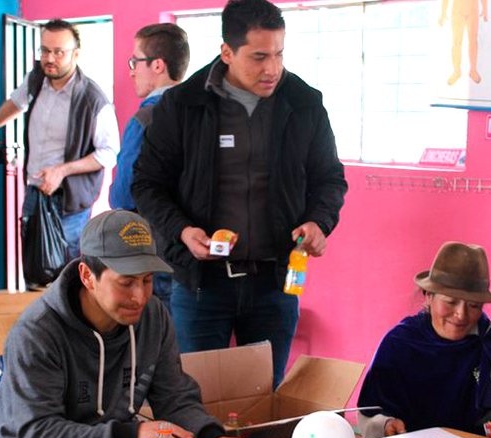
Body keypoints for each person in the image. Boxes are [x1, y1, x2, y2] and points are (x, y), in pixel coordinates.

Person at [0, 210, 264, 438]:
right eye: (126, 282)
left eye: (148, 280)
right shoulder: (37, 332)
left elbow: (174, 397)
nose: (140, 297)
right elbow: (42, 435)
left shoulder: (154, 318)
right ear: (87, 276)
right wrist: (129, 436)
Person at [132, 0, 347, 387]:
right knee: (195, 400)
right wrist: (181, 230)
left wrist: (319, 221)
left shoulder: (304, 102)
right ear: (227, 52)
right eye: (259, 56)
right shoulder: (183, 105)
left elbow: (330, 179)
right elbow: (147, 184)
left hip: (275, 283)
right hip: (201, 284)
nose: (272, 69)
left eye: (279, 54)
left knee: (264, 401)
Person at [358, 242, 491, 438]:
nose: (460, 315)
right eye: (450, 302)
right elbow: (371, 409)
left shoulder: (490, 340)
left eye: (474, 306)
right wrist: (384, 424)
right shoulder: (400, 342)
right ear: (429, 296)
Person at [0, 19, 119, 268]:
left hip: (70, 202)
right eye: (44, 50)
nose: (49, 58)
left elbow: (109, 153)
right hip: (34, 191)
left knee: (68, 274)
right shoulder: (36, 80)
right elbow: (16, 102)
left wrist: (62, 170)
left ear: (76, 54)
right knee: (34, 271)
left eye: (58, 52)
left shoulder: (93, 99)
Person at [109, 23, 190, 309]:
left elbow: (122, 196)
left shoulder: (146, 119)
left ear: (158, 65)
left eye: (135, 61)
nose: (131, 70)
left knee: (158, 345)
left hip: (155, 250)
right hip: (196, 253)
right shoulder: (203, 114)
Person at [438, 0, 488, 85]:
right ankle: (456, 71)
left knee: (473, 40)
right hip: (458, 8)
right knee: (456, 42)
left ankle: (473, 70)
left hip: (472, 7)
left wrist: (485, 8)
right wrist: (443, 11)